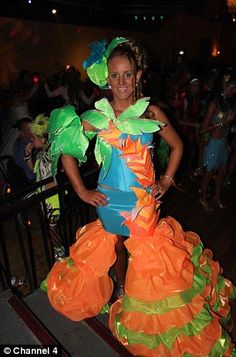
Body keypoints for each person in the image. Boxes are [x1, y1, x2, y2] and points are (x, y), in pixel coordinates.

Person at [44, 38, 235, 356]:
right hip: (107, 200)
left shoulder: (151, 111)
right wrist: (82, 190)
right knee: (116, 246)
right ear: (107, 78)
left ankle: (145, 311)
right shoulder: (95, 116)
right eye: (115, 75)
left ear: (139, 74)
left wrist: (166, 180)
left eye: (127, 74)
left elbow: (178, 146)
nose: (121, 82)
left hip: (142, 203)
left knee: (148, 260)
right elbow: (66, 152)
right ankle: (120, 287)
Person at [29, 114, 66, 260]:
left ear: (43, 139)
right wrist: (28, 157)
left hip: (53, 198)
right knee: (50, 228)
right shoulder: (40, 154)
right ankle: (59, 253)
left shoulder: (52, 154)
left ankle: (61, 254)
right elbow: (35, 173)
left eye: (34, 137)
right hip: (44, 197)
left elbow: (57, 173)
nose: (31, 140)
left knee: (52, 228)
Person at [200, 72, 236, 211]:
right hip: (213, 143)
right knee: (209, 173)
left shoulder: (228, 103)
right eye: (232, 88)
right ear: (224, 86)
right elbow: (203, 129)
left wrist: (229, 125)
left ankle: (216, 196)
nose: (234, 91)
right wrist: (222, 123)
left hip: (223, 142)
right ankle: (202, 197)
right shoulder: (214, 104)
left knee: (222, 171)